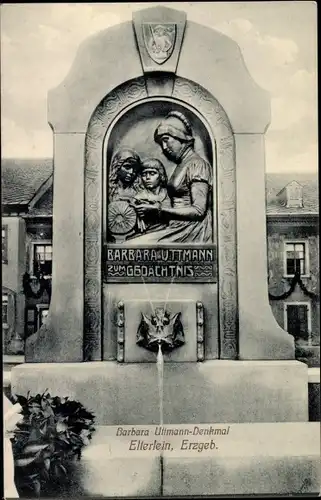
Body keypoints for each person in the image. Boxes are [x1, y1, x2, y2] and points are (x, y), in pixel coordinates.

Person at [134, 111, 213, 243]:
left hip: (190, 229)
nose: (164, 148)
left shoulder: (197, 164)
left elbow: (199, 211)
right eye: (160, 143)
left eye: (166, 140)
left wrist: (158, 210)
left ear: (180, 137)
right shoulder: (183, 163)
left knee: (133, 246)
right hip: (174, 226)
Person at [130, 158, 171, 235]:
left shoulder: (169, 194)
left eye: (152, 173)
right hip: (148, 234)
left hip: (169, 231)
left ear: (161, 175)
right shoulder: (138, 198)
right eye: (144, 174)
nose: (147, 177)